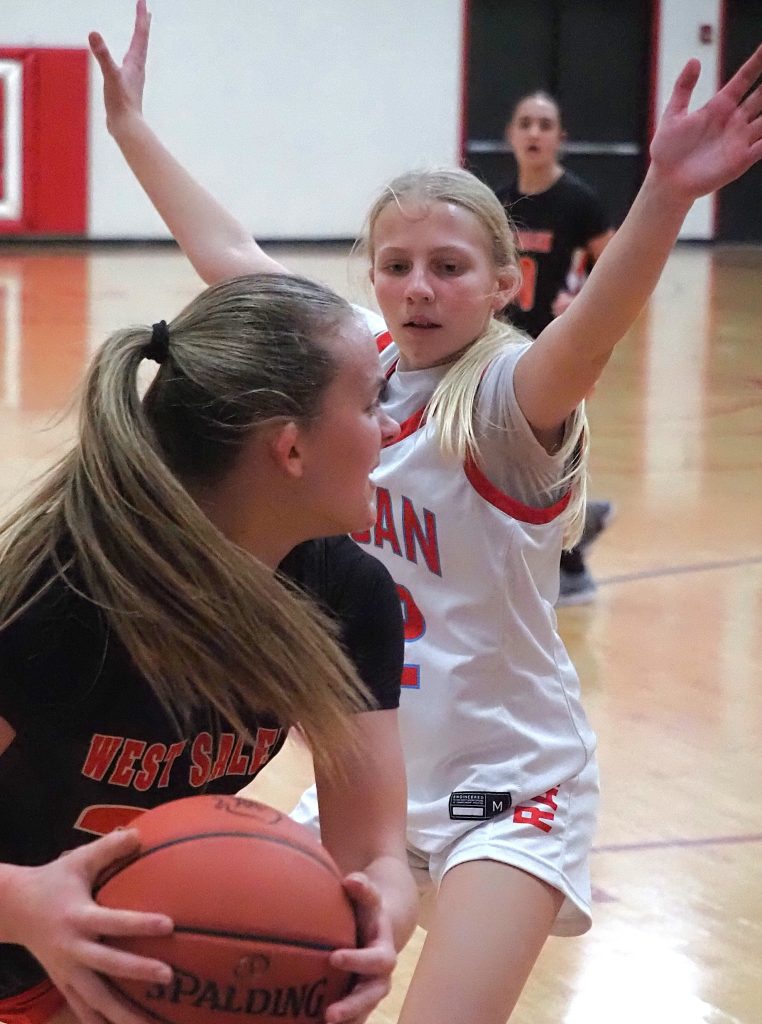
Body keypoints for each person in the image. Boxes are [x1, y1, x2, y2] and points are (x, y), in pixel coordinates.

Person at [89, 6, 762, 1021]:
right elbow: (228, 251)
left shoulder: (505, 402)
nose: (418, 287)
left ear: (502, 284)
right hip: (369, 776)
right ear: (373, 278)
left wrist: (665, 195)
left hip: (510, 778)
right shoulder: (351, 361)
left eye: (449, 267)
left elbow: (587, 338)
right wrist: (132, 128)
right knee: (257, 993)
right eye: (397, 265)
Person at [0, 271, 420, 1024]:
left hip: (130, 953)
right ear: (289, 448)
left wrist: (376, 926)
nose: (388, 429)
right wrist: (26, 904)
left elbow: (375, 853)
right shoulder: (61, 600)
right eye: (369, 404)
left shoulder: (349, 599)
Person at [497, 90, 616, 605]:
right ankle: (576, 524)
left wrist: (580, 298)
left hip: (558, 348)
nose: (534, 133)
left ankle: (572, 562)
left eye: (545, 124)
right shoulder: (499, 201)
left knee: (553, 450)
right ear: (511, 135)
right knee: (513, 451)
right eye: (525, 123)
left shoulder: (579, 201)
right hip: (504, 346)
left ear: (559, 138)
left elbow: (612, 268)